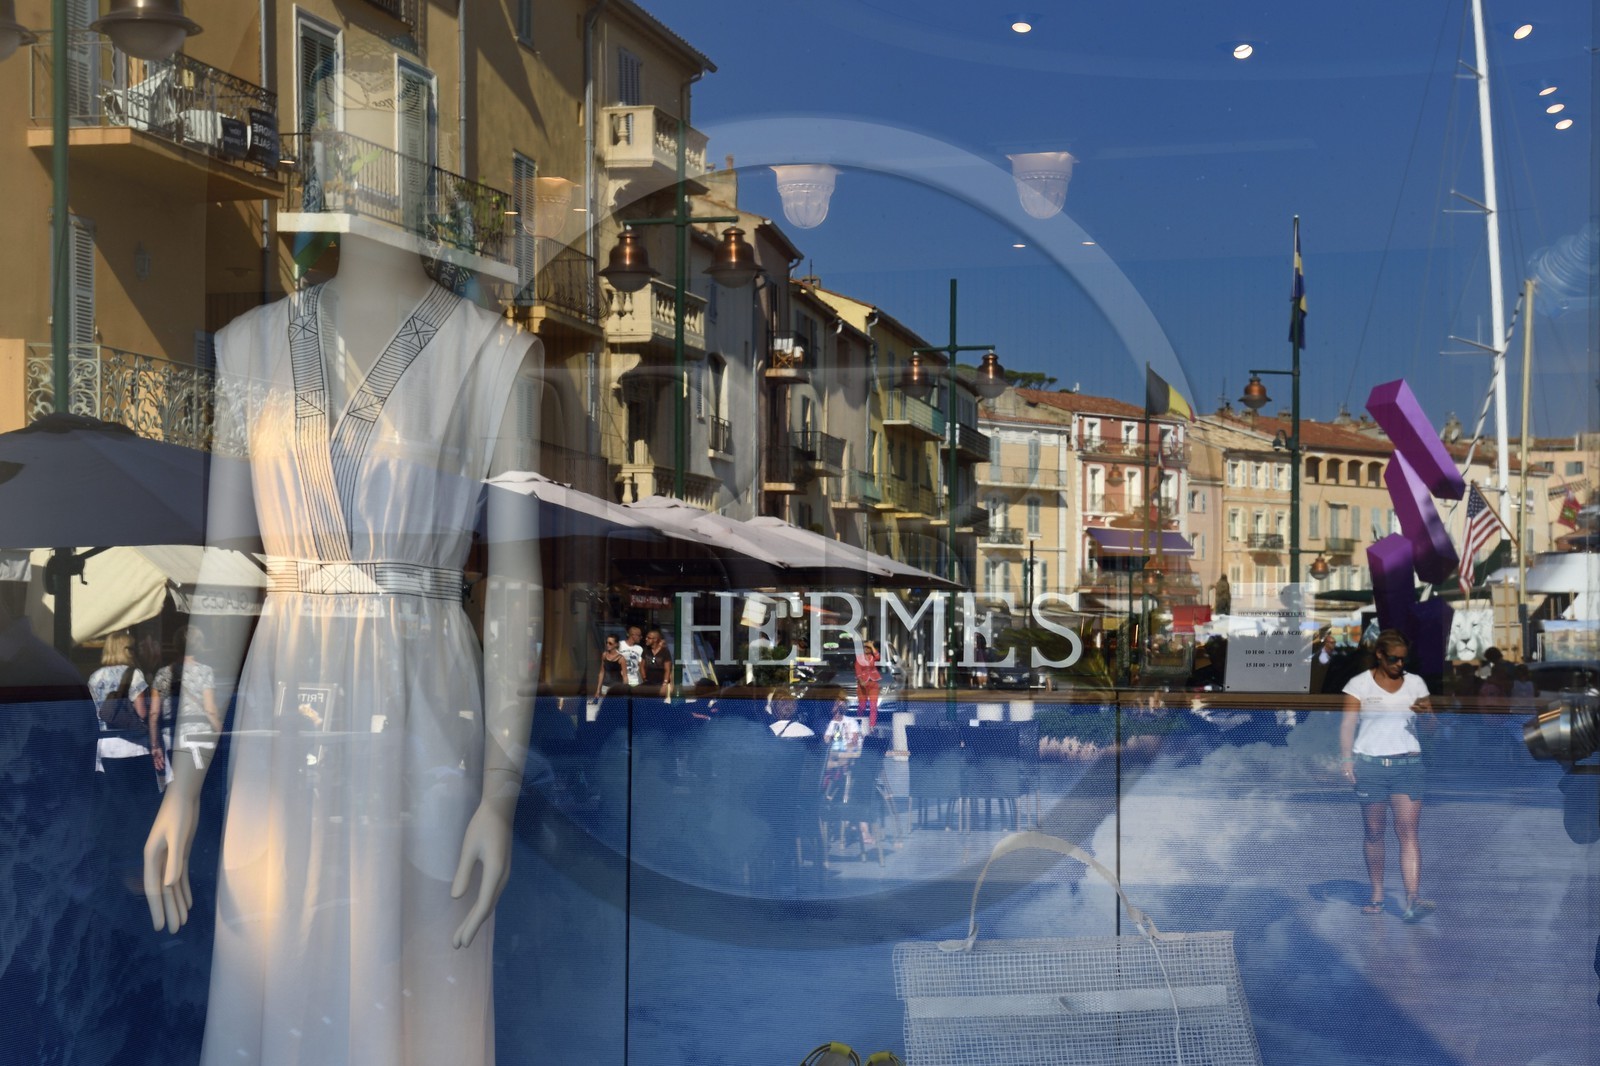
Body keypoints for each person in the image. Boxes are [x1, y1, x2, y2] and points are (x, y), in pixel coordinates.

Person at [1339, 628, 1435, 922]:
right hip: (1370, 765)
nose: (1399, 665)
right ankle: (1377, 895)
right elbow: (1348, 724)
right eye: (1393, 659)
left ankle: (1413, 899)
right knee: (1374, 831)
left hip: (1408, 764)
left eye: (1403, 660)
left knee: (1407, 832)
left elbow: (1432, 729)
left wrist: (1426, 715)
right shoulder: (1359, 684)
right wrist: (1346, 760)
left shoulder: (1415, 683)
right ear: (1379, 655)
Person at [150, 625, 222, 778]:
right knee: (200, 786)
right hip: (200, 736)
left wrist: (155, 744)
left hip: (172, 736)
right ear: (199, 645)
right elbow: (210, 709)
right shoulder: (205, 671)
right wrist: (221, 732)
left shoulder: (163, 673)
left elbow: (154, 712)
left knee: (176, 786)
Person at [855, 638, 882, 733]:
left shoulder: (873, 657)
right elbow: (858, 671)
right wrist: (861, 680)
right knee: (862, 706)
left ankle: (872, 726)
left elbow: (878, 656)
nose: (866, 649)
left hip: (873, 683)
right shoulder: (859, 658)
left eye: (868, 647)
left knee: (873, 706)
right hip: (863, 684)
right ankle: (859, 721)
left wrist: (871, 646)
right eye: (865, 647)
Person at [640, 627, 673, 699]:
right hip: (648, 681)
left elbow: (667, 669)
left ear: (655, 639)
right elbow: (642, 666)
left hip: (660, 682)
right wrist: (644, 678)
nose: (646, 639)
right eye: (646, 637)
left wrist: (665, 683)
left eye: (649, 638)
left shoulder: (664, 652)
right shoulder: (646, 650)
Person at [594, 634, 626, 699]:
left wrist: (626, 690)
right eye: (607, 642)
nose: (607, 645)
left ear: (616, 644)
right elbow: (602, 672)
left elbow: (625, 675)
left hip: (616, 687)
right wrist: (598, 690)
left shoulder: (621, 658)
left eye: (610, 643)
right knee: (606, 706)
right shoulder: (604, 655)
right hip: (605, 685)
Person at [619, 625, 645, 690]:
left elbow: (640, 665)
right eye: (639, 635)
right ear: (633, 635)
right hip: (621, 679)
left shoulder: (639, 649)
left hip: (635, 680)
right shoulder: (620, 645)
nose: (641, 637)